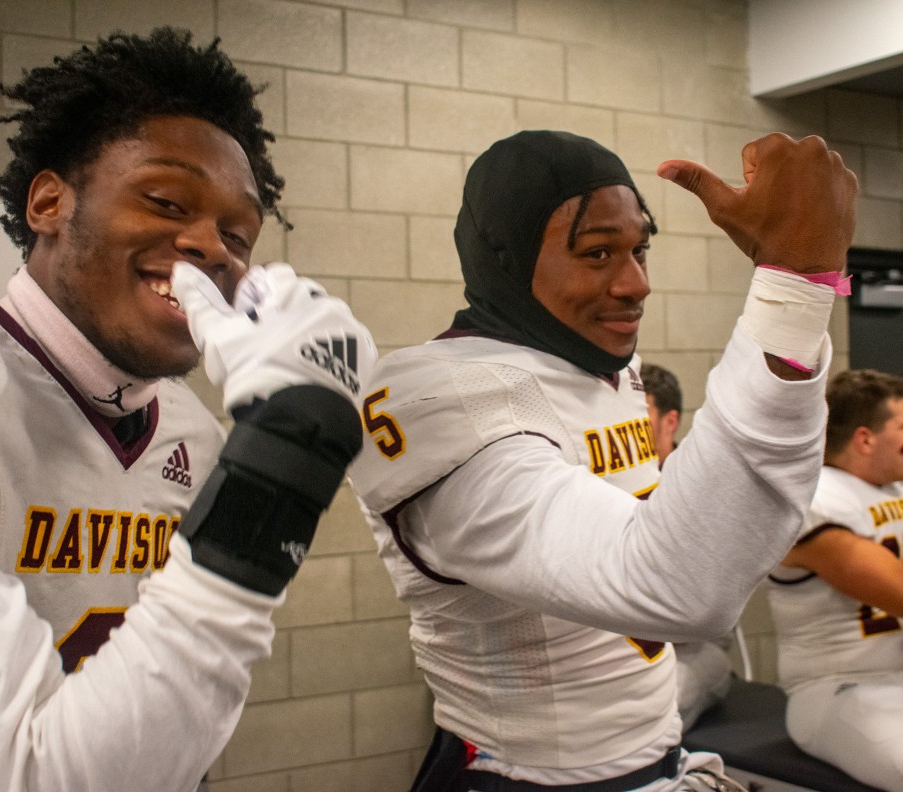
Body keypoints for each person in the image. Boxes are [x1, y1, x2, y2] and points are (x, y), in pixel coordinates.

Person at [0, 28, 374, 792]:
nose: (212, 247)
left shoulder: (191, 432)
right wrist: (289, 454)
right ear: (49, 202)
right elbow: (28, 776)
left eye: (239, 235)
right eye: (167, 202)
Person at [349, 129, 856, 791]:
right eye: (597, 253)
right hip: (531, 776)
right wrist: (795, 288)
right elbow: (678, 586)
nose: (635, 283)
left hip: (654, 757)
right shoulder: (438, 393)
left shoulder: (596, 365)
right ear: (505, 257)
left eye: (639, 249)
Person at [766, 368, 903, 789]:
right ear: (865, 439)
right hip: (838, 690)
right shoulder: (816, 498)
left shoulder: (892, 490)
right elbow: (896, 590)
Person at [641, 362, 734, 732]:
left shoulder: (700, 487)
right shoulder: (602, 480)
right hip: (622, 642)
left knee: (650, 709)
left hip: (691, 648)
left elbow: (701, 604)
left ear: (670, 421)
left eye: (640, 415)